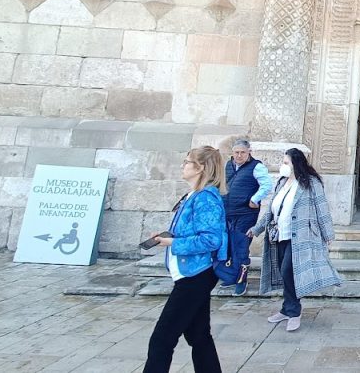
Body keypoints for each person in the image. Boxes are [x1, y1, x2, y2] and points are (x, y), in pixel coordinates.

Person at [144, 146, 228, 373]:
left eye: (187, 162)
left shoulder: (206, 198)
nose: (183, 165)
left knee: (162, 339)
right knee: (199, 336)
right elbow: (191, 231)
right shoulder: (194, 196)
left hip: (195, 275)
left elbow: (211, 240)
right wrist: (166, 237)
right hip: (191, 274)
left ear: (200, 168)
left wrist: (172, 243)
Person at [248, 148, 341, 332]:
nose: (282, 166)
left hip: (301, 237)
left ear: (295, 164)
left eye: (285, 163)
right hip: (279, 235)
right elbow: (271, 210)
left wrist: (328, 234)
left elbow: (322, 208)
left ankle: (294, 311)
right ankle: (286, 308)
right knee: (284, 273)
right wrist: (257, 229)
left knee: (287, 270)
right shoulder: (282, 182)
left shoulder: (311, 183)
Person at [220, 139, 273, 295]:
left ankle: (241, 280)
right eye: (236, 152)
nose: (239, 155)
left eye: (242, 152)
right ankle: (232, 276)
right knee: (229, 245)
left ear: (249, 152)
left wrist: (254, 199)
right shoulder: (228, 165)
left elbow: (267, 185)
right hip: (228, 212)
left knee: (241, 245)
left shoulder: (256, 166)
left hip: (246, 214)